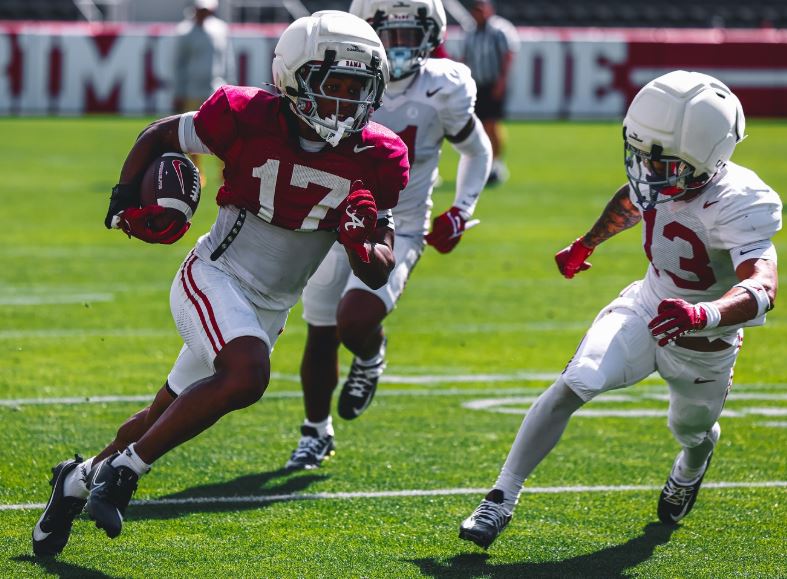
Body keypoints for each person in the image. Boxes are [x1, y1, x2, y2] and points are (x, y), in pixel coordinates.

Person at [31, 10, 409, 557]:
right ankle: (126, 471)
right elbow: (161, 133)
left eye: (358, 89)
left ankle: (77, 478)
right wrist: (124, 199)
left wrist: (359, 246)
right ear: (295, 77)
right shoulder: (246, 114)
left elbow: (379, 267)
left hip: (271, 306)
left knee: (162, 414)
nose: (345, 102)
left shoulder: (379, 154)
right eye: (335, 85)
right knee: (247, 374)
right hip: (215, 274)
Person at [458, 70, 782, 549]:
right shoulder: (666, 171)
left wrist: (703, 315)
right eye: (643, 157)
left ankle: (693, 464)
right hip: (645, 306)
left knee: (690, 430)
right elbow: (633, 200)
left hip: (704, 340)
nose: (648, 171)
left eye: (664, 163)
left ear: (707, 160)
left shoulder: (743, 201)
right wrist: (587, 242)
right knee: (576, 382)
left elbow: (763, 287)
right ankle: (500, 498)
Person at [282, 0, 492, 472]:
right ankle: (315, 432)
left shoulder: (444, 86)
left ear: (430, 33)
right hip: (331, 220)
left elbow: (477, 151)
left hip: (402, 224)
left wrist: (462, 210)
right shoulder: (340, 78)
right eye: (388, 34)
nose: (398, 46)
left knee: (354, 319)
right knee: (320, 329)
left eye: (408, 34)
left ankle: (371, 354)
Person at [173, 0, 235, 185]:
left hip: (215, 87)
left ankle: (225, 170)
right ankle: (197, 171)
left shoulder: (220, 29)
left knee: (223, 129)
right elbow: (179, 64)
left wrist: (231, 87)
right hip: (191, 88)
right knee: (193, 129)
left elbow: (227, 60)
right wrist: (179, 91)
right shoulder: (184, 31)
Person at [460, 0, 518, 186]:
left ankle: (497, 163)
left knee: (492, 124)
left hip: (493, 83)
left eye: (481, 9)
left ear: (489, 10)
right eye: (475, 10)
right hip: (476, 84)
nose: (478, 13)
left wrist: (502, 82)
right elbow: (465, 57)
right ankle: (483, 162)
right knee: (477, 126)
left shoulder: (500, 30)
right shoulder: (470, 31)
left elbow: (508, 55)